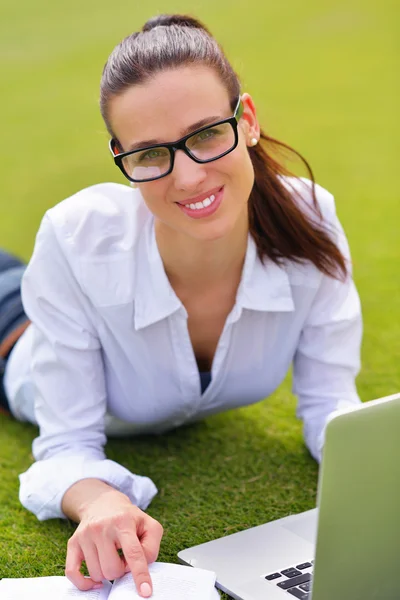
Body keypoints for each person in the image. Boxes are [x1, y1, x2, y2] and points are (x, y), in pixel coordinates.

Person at [0, 13, 362, 599]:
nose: (189, 177)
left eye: (205, 135)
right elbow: (65, 447)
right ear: (122, 157)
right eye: (150, 154)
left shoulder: (311, 221)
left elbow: (332, 408)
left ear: (245, 120)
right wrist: (101, 500)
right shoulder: (75, 237)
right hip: (11, 332)